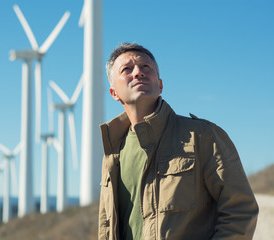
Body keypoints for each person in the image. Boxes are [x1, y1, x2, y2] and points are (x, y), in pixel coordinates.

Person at [98, 42, 258, 240]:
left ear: (160, 85)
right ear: (114, 93)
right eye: (127, 69)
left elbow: (240, 210)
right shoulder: (113, 152)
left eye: (146, 67)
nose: (138, 72)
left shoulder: (202, 136)